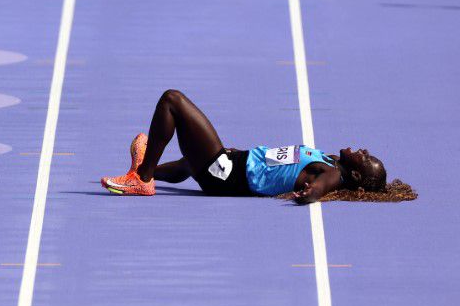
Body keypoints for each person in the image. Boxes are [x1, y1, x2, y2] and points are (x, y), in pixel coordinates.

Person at [101, 89, 397, 203]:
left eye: (365, 158)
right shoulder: (331, 161)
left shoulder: (333, 174)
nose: (363, 151)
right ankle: (141, 168)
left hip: (226, 175)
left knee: (172, 101)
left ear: (356, 175)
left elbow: (318, 189)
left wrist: (308, 194)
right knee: (190, 164)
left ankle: (141, 180)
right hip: (230, 163)